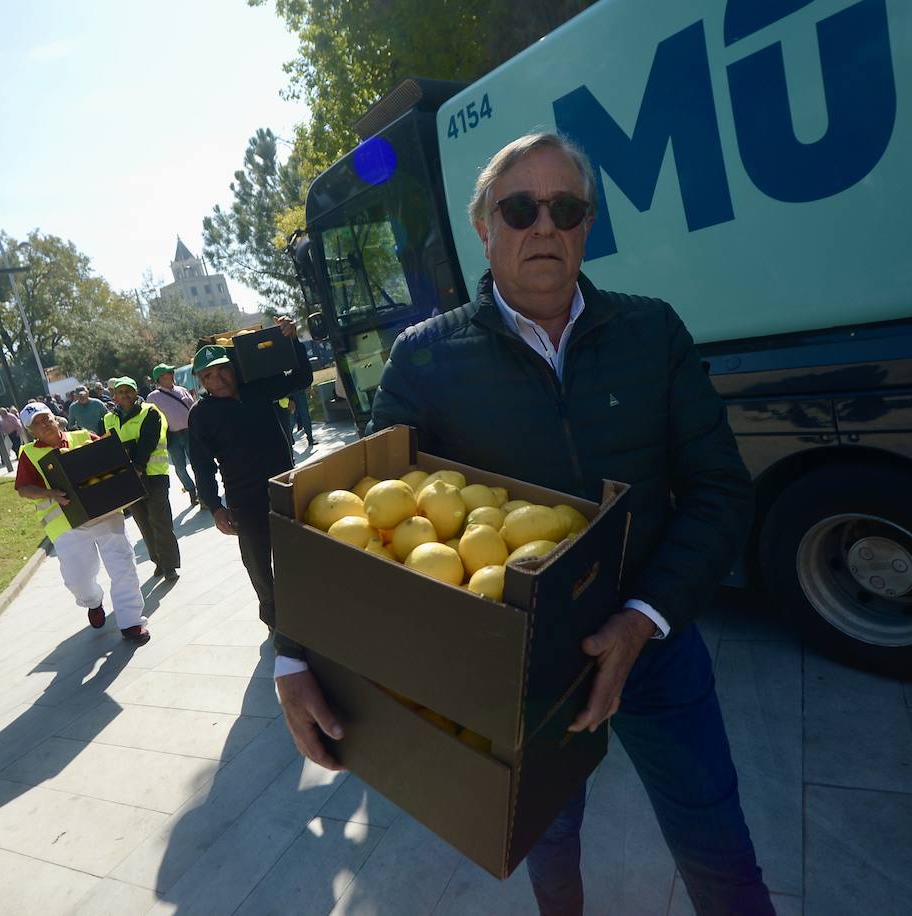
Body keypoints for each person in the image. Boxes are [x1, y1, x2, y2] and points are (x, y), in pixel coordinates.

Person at [274, 133, 772, 916]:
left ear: (587, 225)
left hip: (654, 648)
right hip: (515, 680)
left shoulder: (653, 333)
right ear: (485, 226)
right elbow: (358, 521)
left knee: (715, 837)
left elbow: (720, 489)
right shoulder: (424, 358)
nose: (544, 225)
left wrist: (641, 621)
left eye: (565, 208)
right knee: (545, 835)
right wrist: (292, 656)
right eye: (519, 207)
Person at [188, 318, 312, 634]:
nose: (218, 379)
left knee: (301, 550)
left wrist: (292, 340)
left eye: (222, 369)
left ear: (233, 367)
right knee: (258, 562)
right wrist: (215, 507)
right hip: (245, 499)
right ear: (201, 381)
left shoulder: (257, 388)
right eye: (208, 376)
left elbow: (301, 377)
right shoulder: (201, 416)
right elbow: (201, 465)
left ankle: (309, 605)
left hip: (286, 484)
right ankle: (274, 620)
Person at [15, 402, 150, 645]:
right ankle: (92, 601)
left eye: (46, 417)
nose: (43, 424)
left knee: (123, 566)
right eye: (36, 423)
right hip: (67, 523)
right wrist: (50, 493)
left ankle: (131, 622)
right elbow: (23, 489)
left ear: (57, 418)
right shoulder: (29, 453)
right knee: (78, 578)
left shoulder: (83, 436)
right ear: (31, 431)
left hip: (106, 512)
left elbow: (111, 460)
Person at [104, 377, 180, 581]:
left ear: (136, 392)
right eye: (121, 392)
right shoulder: (109, 419)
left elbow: (148, 442)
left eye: (129, 390)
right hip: (129, 479)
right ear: (115, 395)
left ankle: (170, 565)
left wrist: (137, 468)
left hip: (154, 474)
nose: (125, 395)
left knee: (159, 520)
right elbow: (111, 448)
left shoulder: (150, 411)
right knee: (143, 522)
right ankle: (157, 561)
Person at [145, 364, 199, 507]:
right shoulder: (152, 398)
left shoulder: (182, 390)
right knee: (180, 467)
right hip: (172, 436)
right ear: (160, 378)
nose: (171, 375)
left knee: (197, 463)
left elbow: (193, 408)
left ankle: (203, 493)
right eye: (168, 373)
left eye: (171, 372)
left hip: (189, 432)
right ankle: (191, 491)